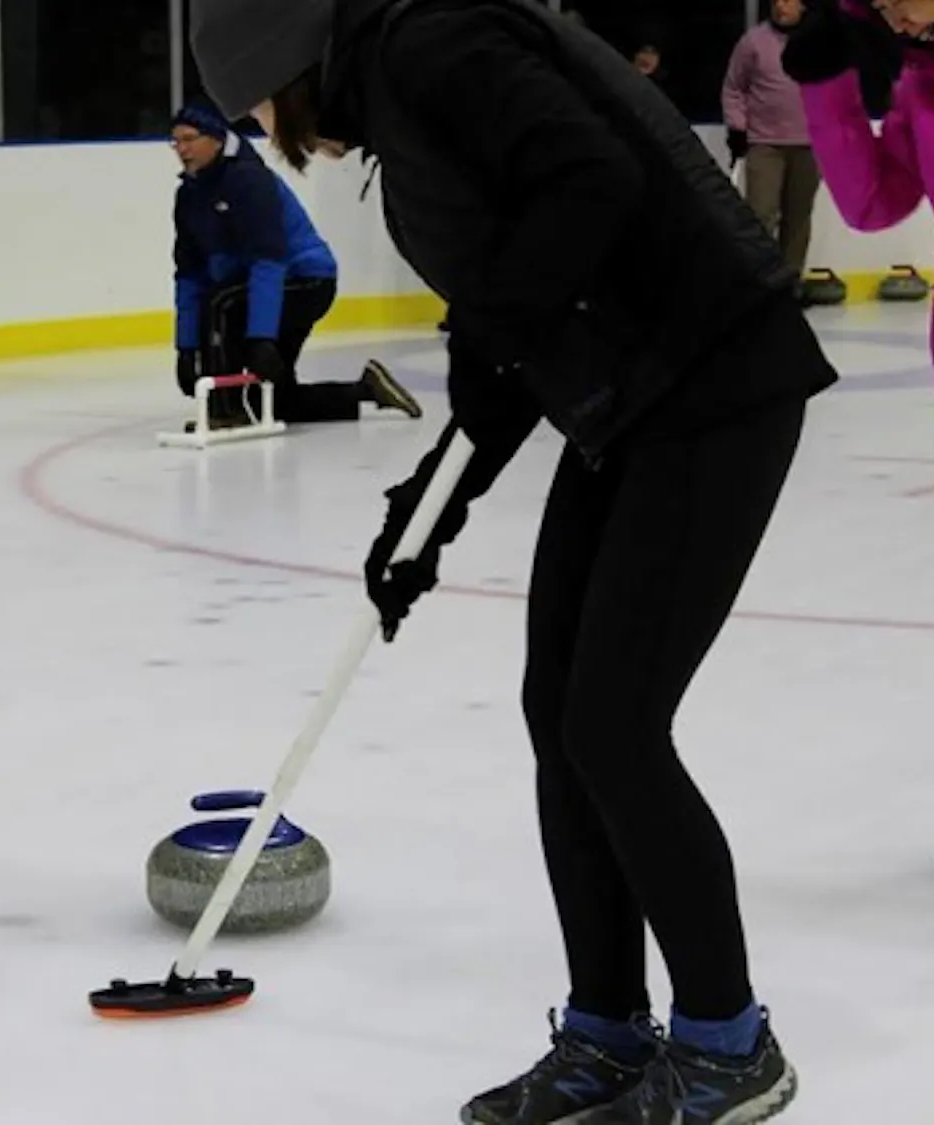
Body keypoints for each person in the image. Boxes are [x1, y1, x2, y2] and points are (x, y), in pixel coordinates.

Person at [189, 1, 838, 1122]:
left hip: (716, 382)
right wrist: (425, 516)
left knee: (615, 726)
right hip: (632, 402)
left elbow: (587, 187)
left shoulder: (437, 46)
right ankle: (605, 1033)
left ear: (278, 62)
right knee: (561, 713)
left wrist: (500, 344)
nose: (255, 124)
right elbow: (508, 337)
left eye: (244, 99)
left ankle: (731, 1045)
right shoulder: (405, 93)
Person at [169, 99, 421, 430]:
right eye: (176, 141)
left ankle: (225, 412)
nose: (181, 149)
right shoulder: (189, 196)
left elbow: (268, 261)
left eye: (190, 139)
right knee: (275, 399)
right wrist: (186, 349)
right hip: (260, 286)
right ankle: (365, 389)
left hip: (306, 280)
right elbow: (189, 275)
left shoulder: (249, 182)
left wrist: (261, 337)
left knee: (222, 304)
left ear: (216, 137)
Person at [783, 0, 934, 333]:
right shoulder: (920, 84)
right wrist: (826, 82)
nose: (894, 24)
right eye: (880, 10)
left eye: (893, 1)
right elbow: (874, 202)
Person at [723, 0, 823, 287]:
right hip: (764, 144)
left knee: (798, 217)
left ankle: (790, 281)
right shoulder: (753, 41)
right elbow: (733, 88)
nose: (781, 6)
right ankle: (759, 282)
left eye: (789, 0)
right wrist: (737, 128)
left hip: (808, 145)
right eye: (777, 0)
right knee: (760, 214)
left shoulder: (816, 42)